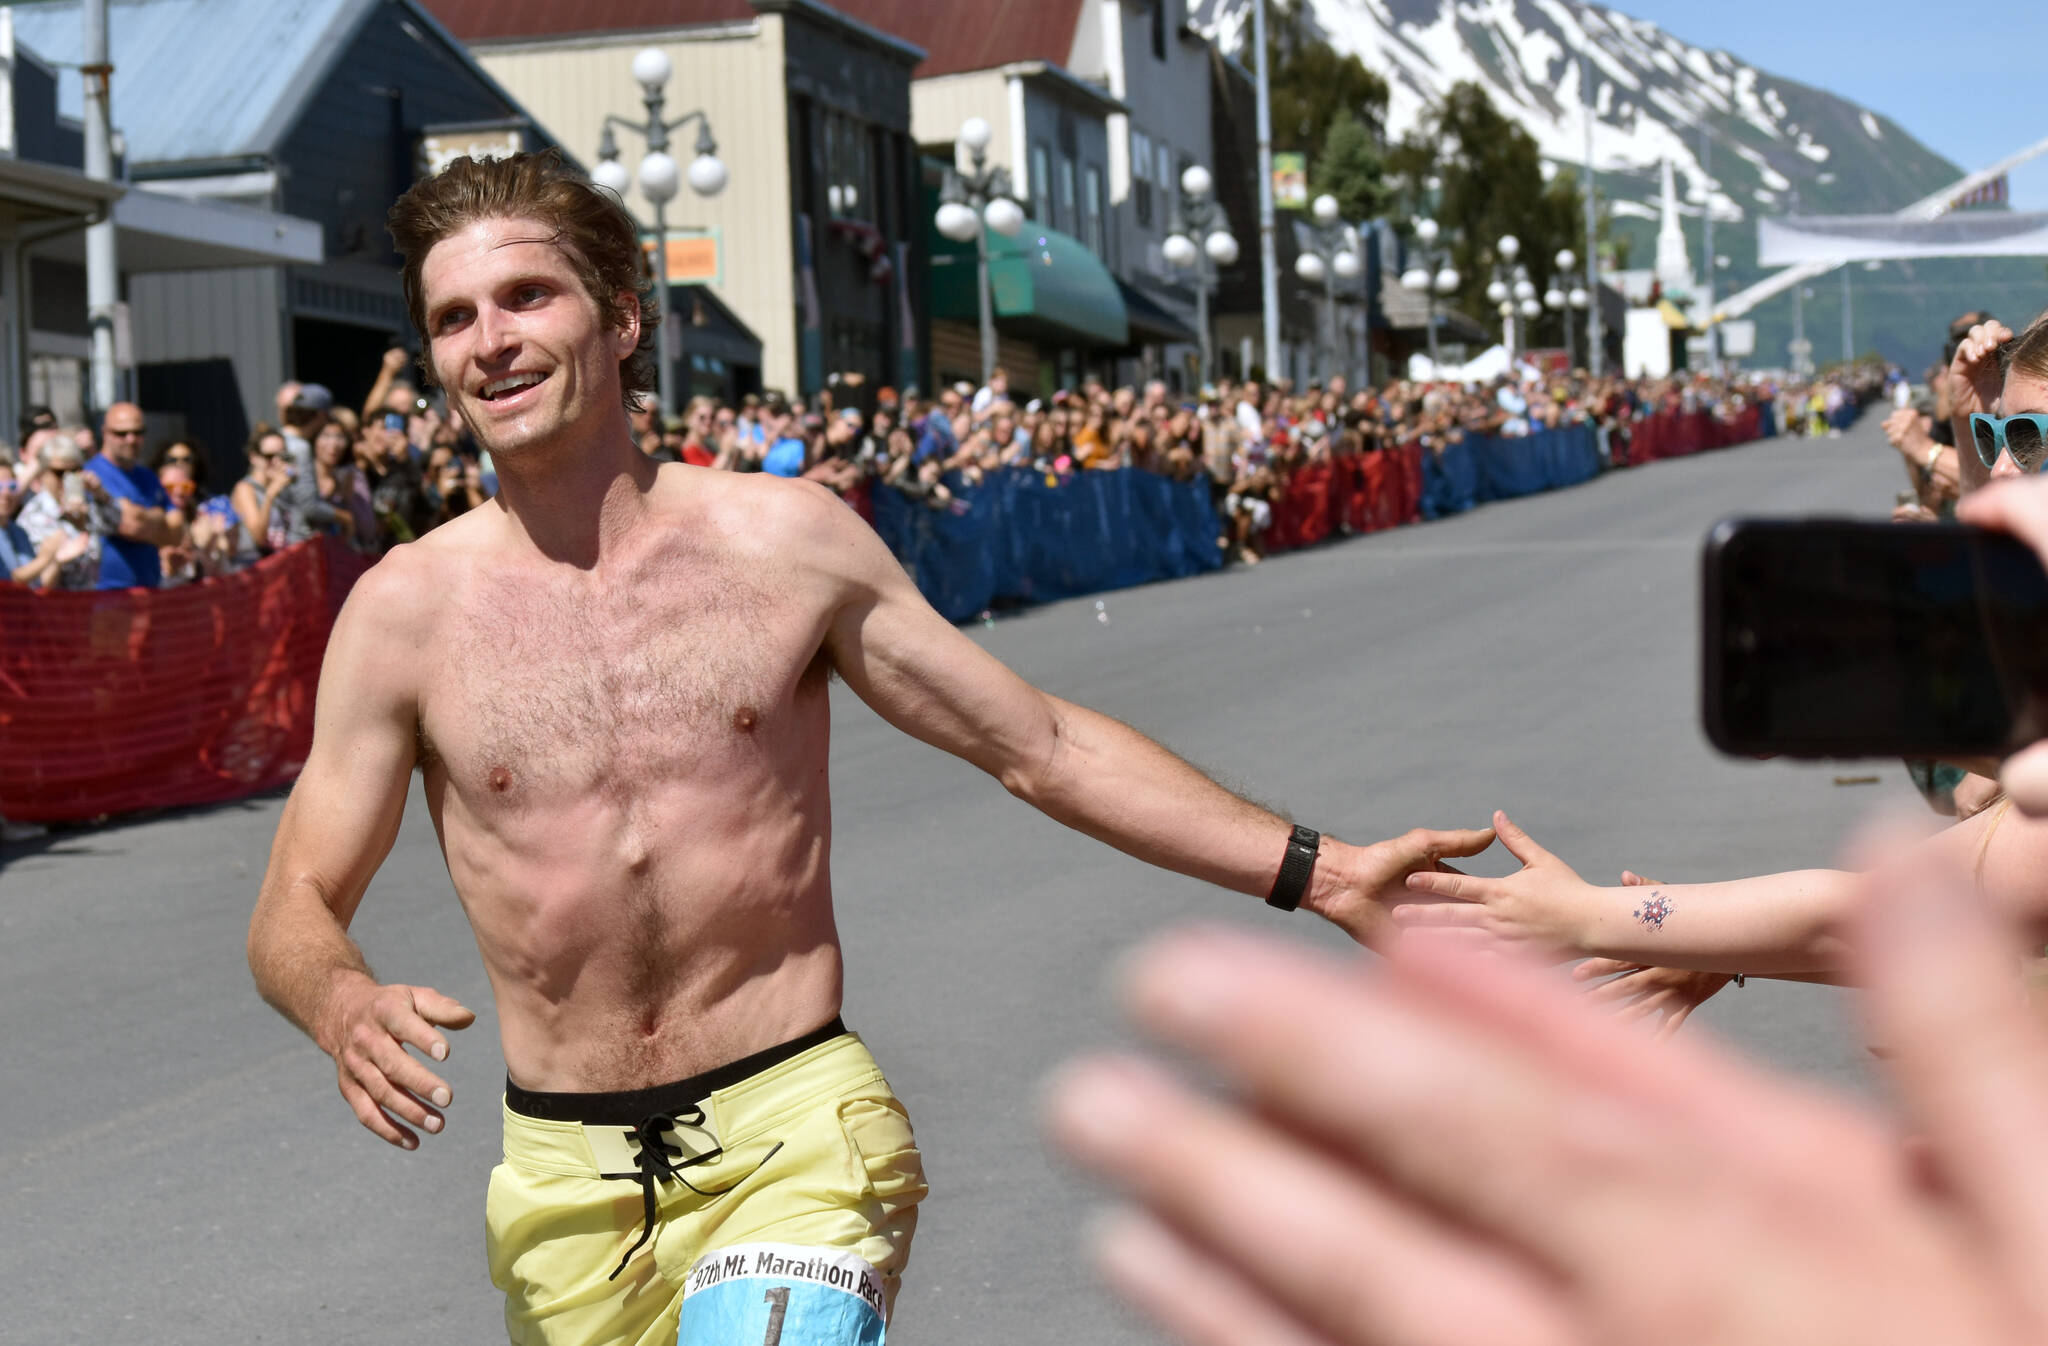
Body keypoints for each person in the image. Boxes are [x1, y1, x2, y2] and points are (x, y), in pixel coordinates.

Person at [244, 152, 1488, 1346]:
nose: (491, 340)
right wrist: (337, 996)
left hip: (793, 1127)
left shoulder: (783, 545)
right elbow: (293, 900)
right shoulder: (404, 614)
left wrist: (1323, 870)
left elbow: (1039, 742)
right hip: (564, 1188)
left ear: (620, 317)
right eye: (454, 317)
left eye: (527, 295)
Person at [84, 402, 184, 589]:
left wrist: (142, 518)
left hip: (150, 587)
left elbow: (176, 532)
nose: (131, 439)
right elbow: (132, 525)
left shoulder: (148, 477)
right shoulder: (92, 474)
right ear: (104, 432)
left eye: (138, 432)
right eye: (121, 433)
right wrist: (158, 516)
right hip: (107, 591)